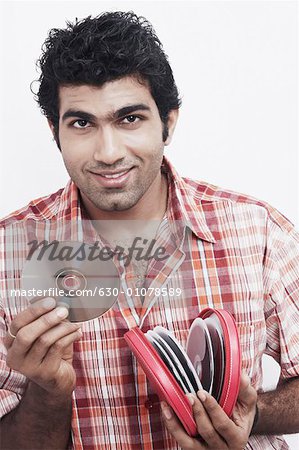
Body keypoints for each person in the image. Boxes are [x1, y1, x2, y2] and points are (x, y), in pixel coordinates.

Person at [0, 10, 298, 450]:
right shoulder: (9, 254)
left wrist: (251, 415)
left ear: (168, 122)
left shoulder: (258, 232)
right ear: (55, 131)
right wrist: (48, 391)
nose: (108, 152)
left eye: (130, 119)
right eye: (82, 123)